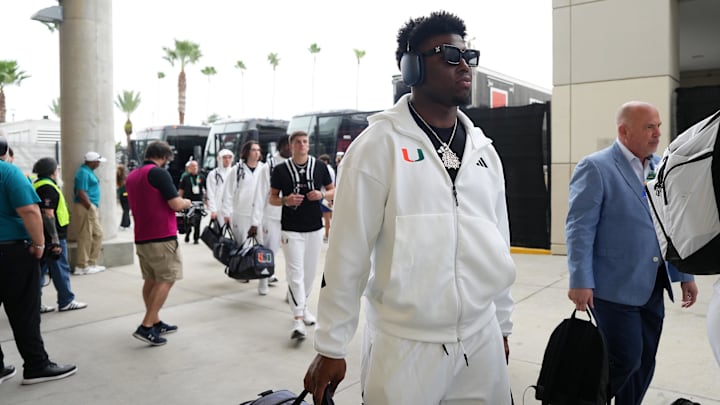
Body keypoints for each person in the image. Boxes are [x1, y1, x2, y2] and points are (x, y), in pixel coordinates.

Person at [304, 12, 515, 404]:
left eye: (469, 55)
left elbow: (497, 243)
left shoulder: (485, 152)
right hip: (405, 348)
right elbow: (348, 253)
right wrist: (331, 345)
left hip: (481, 341)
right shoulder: (376, 147)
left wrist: (501, 324)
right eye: (449, 55)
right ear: (411, 67)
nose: (464, 64)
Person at [566, 101, 698, 404]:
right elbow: (579, 228)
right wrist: (580, 279)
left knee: (645, 361)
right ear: (624, 131)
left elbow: (670, 225)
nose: (657, 133)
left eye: (659, 126)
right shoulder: (596, 167)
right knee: (626, 359)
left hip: (653, 283)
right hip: (612, 286)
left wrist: (683, 274)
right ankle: (585, 399)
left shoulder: (659, 167)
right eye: (649, 127)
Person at [0, 137, 77, 385]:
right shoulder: (8, 172)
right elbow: (31, 211)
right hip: (10, 253)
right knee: (24, 311)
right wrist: (39, 245)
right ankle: (36, 365)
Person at [126, 141, 192, 346]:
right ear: (163, 157)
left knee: (152, 279)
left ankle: (155, 321)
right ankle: (146, 326)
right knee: (167, 278)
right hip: (161, 235)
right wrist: (187, 203)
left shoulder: (133, 175)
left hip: (142, 236)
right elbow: (175, 203)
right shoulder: (158, 173)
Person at [269, 130, 334, 340]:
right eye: (298, 142)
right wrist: (286, 200)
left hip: (315, 228)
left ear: (309, 145)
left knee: (309, 272)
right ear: (291, 146)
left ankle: (303, 307)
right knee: (294, 272)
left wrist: (321, 194)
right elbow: (272, 198)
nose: (302, 145)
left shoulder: (320, 167)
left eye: (305, 142)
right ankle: (297, 319)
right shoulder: (280, 170)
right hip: (291, 228)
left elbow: (334, 190)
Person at [32, 157, 88, 313]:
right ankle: (66, 300)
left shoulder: (38, 184)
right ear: (52, 171)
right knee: (60, 269)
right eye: (56, 169)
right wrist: (55, 240)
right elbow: (48, 215)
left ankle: (35, 304)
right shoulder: (47, 188)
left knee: (40, 271)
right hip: (52, 237)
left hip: (44, 237)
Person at [222, 141, 269, 292]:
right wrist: (227, 213)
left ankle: (264, 278)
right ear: (247, 152)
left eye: (258, 150)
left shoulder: (264, 169)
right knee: (243, 244)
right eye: (253, 150)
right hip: (241, 213)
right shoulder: (237, 170)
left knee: (262, 245)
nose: (256, 153)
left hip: (260, 213)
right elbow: (228, 193)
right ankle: (244, 271)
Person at [250, 135, 291, 291]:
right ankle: (263, 280)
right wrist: (255, 221)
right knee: (269, 251)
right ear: (280, 147)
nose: (289, 148)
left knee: (292, 257)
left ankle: (292, 290)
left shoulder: (296, 164)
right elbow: (260, 196)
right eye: (286, 145)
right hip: (272, 217)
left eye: (291, 144)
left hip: (291, 218)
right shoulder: (270, 166)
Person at [72, 151, 107, 275]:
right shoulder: (83, 173)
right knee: (85, 236)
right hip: (85, 207)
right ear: (92, 162)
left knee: (97, 234)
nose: (99, 163)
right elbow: (81, 192)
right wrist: (90, 207)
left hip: (89, 206)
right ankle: (81, 266)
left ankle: (91, 263)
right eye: (97, 161)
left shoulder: (87, 171)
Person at [178, 159, 205, 244]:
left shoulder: (201, 177)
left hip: (198, 202)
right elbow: (181, 190)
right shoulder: (185, 178)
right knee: (189, 220)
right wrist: (179, 200)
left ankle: (196, 238)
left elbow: (206, 189)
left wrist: (207, 200)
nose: (194, 168)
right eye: (192, 166)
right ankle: (188, 233)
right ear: (189, 168)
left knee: (198, 220)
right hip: (188, 202)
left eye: (196, 166)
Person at [205, 149, 234, 222]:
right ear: (219, 159)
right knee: (219, 231)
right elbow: (210, 193)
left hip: (233, 208)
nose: (227, 160)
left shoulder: (235, 172)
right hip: (219, 208)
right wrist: (213, 209)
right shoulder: (213, 174)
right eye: (224, 157)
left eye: (229, 157)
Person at [317, 154, 335, 243]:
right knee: (328, 215)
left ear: (326, 161)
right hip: (326, 195)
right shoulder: (330, 169)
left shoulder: (327, 170)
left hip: (326, 195)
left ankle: (327, 234)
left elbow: (330, 185)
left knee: (327, 216)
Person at [116, 164, 131, 230]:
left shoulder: (118, 177)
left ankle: (127, 223)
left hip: (122, 195)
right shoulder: (125, 177)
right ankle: (125, 223)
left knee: (125, 210)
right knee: (126, 210)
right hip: (126, 195)